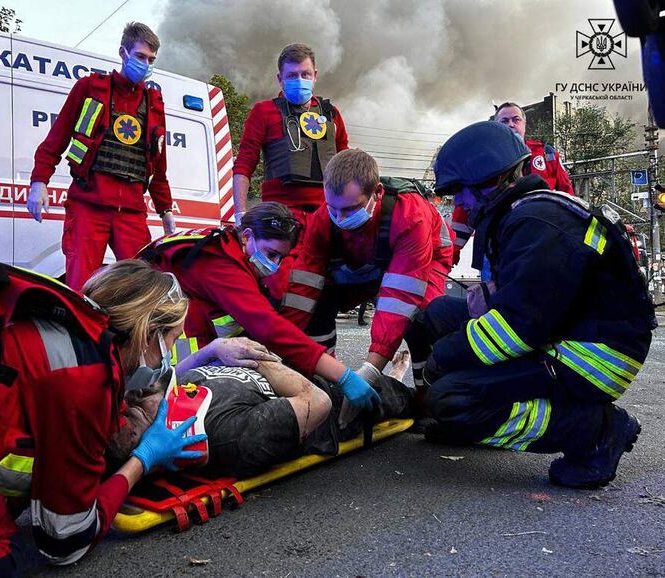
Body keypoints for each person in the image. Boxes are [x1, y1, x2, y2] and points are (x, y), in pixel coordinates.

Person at [0, 259, 212, 575]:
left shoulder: (57, 310)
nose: (170, 358)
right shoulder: (85, 376)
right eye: (172, 341)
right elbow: (65, 539)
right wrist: (143, 459)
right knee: (0, 550)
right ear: (147, 335)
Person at [422, 121, 656, 489]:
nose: (460, 202)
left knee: (452, 399)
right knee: (435, 315)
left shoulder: (538, 223)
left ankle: (596, 432)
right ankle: (450, 411)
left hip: (592, 357)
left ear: (487, 181)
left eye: (459, 191)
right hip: (562, 334)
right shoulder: (521, 214)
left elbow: (517, 328)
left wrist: (447, 356)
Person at [139, 201, 382, 411]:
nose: (275, 264)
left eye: (281, 257)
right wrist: (343, 375)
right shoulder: (221, 263)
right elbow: (268, 327)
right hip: (154, 348)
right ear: (247, 236)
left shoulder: (228, 249)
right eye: (271, 253)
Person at [280, 149, 455, 396]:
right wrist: (282, 345)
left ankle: (427, 399)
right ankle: (323, 384)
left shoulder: (410, 217)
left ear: (377, 193)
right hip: (368, 261)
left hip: (424, 259)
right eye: (333, 207)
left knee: (420, 319)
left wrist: (370, 371)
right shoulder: (324, 217)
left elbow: (399, 301)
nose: (339, 218)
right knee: (318, 303)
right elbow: (303, 289)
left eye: (351, 209)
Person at [108, 348, 415, 480]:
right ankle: (398, 379)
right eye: (132, 411)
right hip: (335, 403)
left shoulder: (167, 396)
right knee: (396, 397)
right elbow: (317, 402)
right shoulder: (230, 436)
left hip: (292, 372)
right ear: (144, 436)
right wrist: (257, 354)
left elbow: (174, 372)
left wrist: (217, 346)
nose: (135, 395)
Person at [27, 22, 175, 290]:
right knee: (80, 286)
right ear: (123, 52)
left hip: (131, 211)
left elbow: (158, 165)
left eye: (151, 59)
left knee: (142, 287)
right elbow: (57, 138)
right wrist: (39, 182)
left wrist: (166, 211)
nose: (146, 64)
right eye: (140, 56)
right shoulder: (90, 89)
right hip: (88, 205)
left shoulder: (154, 103)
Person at [231, 43, 349, 296]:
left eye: (305, 74)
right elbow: (244, 164)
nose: (299, 80)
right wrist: (240, 214)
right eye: (292, 75)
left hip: (325, 217)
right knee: (282, 289)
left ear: (315, 75)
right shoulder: (263, 112)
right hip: (281, 219)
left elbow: (345, 167)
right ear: (280, 79)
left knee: (325, 290)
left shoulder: (331, 115)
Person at [449, 102, 574, 264]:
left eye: (516, 120)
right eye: (504, 121)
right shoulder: (483, 161)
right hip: (499, 246)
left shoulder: (547, 155)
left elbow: (568, 197)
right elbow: (465, 208)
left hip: (544, 244)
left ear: (524, 124)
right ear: (496, 127)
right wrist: (452, 251)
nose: (511, 124)